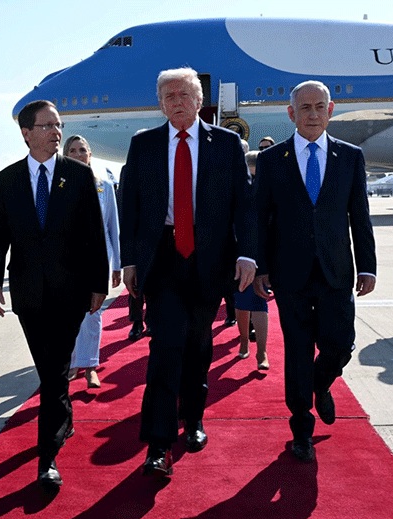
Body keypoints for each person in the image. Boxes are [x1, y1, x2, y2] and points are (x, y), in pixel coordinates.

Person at [120, 67, 256, 477]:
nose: (177, 102)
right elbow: (130, 206)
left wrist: (247, 255)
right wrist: (130, 260)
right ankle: (158, 444)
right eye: (169, 96)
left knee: (198, 343)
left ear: (199, 101)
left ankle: (193, 416)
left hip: (209, 257)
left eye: (184, 95)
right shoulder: (143, 144)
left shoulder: (226, 144)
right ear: (160, 104)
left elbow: (243, 204)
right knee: (164, 346)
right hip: (162, 256)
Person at [0, 100, 108, 489]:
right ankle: (63, 415)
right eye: (47, 126)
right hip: (28, 293)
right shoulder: (7, 180)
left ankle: (47, 458)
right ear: (26, 133)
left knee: (54, 371)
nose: (56, 132)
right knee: (48, 368)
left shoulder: (78, 175)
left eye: (58, 125)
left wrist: (99, 284)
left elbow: (94, 234)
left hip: (71, 291)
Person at [253, 80, 377, 463]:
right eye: (304, 108)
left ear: (330, 110)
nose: (312, 114)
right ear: (291, 113)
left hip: (336, 270)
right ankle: (301, 428)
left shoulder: (350, 157)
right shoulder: (272, 160)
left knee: (340, 344)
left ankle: (321, 384)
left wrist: (368, 266)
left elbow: (360, 216)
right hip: (289, 273)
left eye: (319, 106)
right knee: (298, 350)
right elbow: (259, 219)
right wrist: (260, 267)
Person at [63, 135, 121, 387]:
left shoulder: (103, 185)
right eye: (72, 150)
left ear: (90, 155)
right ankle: (73, 362)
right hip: (67, 259)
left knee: (93, 312)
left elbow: (112, 226)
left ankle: (90, 366)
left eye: (82, 150)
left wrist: (117, 264)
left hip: (97, 258)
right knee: (69, 313)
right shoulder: (59, 185)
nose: (78, 155)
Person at [236, 150, 269, 369]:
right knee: (241, 301)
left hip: (262, 252)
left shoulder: (267, 188)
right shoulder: (237, 187)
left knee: (259, 301)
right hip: (239, 252)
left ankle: (261, 351)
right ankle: (243, 340)